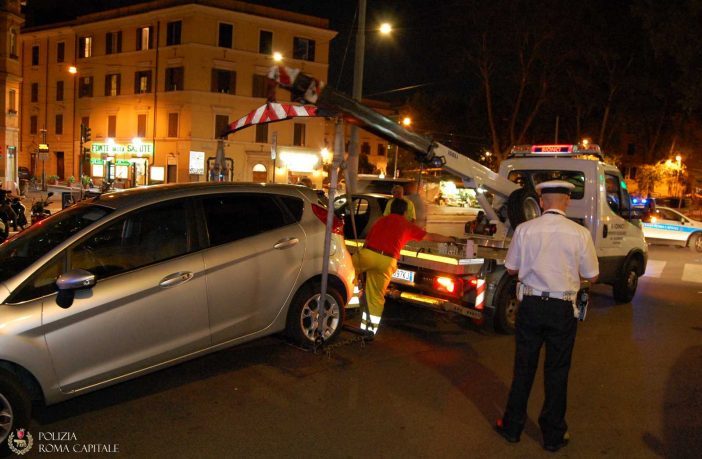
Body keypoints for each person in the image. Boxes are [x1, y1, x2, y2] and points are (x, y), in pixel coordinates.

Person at [495, 180, 599, 452]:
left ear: (541, 202)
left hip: (529, 306)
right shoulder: (580, 234)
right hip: (562, 308)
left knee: (523, 369)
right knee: (557, 372)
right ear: (566, 201)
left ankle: (512, 428)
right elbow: (592, 275)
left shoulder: (525, 230)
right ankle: (553, 436)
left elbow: (511, 268)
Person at [354, 198, 455, 335]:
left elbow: (368, 239)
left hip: (369, 254)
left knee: (345, 270)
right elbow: (429, 236)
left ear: (391, 208)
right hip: (387, 261)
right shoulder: (406, 225)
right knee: (376, 297)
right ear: (405, 211)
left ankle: (349, 299)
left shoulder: (381, 220)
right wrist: (450, 239)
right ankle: (369, 331)